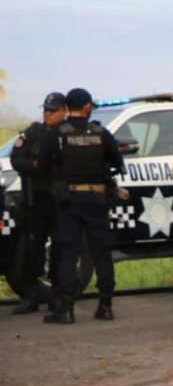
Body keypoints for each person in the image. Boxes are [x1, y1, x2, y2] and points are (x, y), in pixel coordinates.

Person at [41, 88, 124, 324]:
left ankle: (66, 309)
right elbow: (117, 162)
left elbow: (43, 167)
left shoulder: (57, 134)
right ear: (87, 107)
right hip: (97, 200)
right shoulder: (101, 133)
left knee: (68, 254)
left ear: (68, 107)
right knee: (102, 253)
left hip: (69, 201)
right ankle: (105, 306)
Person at [9, 92, 67, 313]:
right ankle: (32, 294)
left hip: (60, 201)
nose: (47, 114)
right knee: (32, 250)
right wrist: (35, 166)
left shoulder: (68, 133)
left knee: (61, 249)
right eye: (45, 110)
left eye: (52, 110)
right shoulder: (33, 132)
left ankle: (58, 295)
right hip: (36, 201)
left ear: (64, 111)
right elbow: (16, 158)